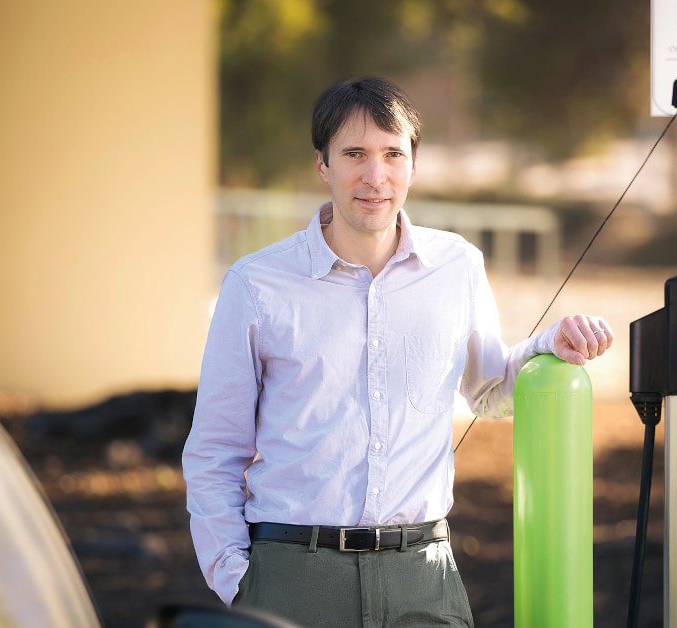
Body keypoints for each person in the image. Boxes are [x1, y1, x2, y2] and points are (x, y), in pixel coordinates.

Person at [183, 76, 615, 626]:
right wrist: (237, 580)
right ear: (323, 164)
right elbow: (214, 452)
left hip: (423, 579)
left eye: (393, 153)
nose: (375, 175)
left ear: (414, 164)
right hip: (292, 578)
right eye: (354, 153)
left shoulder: (457, 266)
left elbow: (490, 393)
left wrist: (548, 344)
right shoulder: (256, 284)